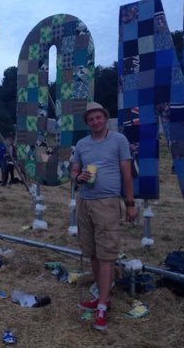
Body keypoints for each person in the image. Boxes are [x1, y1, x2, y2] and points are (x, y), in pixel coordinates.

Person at [70, 101, 137, 331]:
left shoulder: (119, 140)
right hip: (84, 202)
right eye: (91, 119)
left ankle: (101, 308)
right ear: (87, 123)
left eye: (98, 118)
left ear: (105, 118)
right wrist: (77, 176)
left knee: (107, 254)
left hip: (107, 203)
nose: (95, 121)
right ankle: (102, 298)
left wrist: (130, 204)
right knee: (93, 254)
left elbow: (127, 174)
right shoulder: (81, 143)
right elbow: (74, 170)